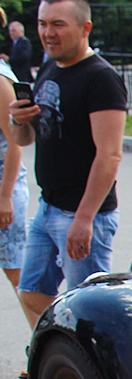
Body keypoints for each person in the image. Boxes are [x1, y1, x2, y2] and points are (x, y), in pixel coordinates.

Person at [8, 0, 127, 331]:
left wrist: (84, 218)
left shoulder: (100, 78)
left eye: (57, 24)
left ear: (85, 28)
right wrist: (18, 121)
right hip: (48, 207)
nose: (48, 32)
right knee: (31, 292)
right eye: (43, 23)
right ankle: (61, 350)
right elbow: (27, 138)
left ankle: (86, 356)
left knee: (88, 309)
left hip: (84, 214)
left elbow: (110, 155)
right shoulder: (51, 67)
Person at [0, 54, 28, 307]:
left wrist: (5, 196)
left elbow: (15, 142)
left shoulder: (0, 80)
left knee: (18, 275)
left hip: (4, 186)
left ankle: (45, 329)